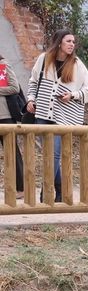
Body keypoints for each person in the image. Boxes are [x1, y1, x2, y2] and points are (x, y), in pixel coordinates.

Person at [27, 30, 88, 203]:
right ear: (59, 43)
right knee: (48, 153)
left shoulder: (77, 64)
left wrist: (72, 95)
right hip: (42, 113)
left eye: (73, 41)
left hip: (63, 117)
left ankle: (46, 193)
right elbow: (34, 81)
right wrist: (31, 99)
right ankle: (61, 191)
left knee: (54, 154)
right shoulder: (44, 59)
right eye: (68, 41)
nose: (72, 44)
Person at [0, 54, 26, 193]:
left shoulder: (2, 64)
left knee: (12, 152)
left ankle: (20, 189)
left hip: (5, 116)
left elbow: (14, 88)